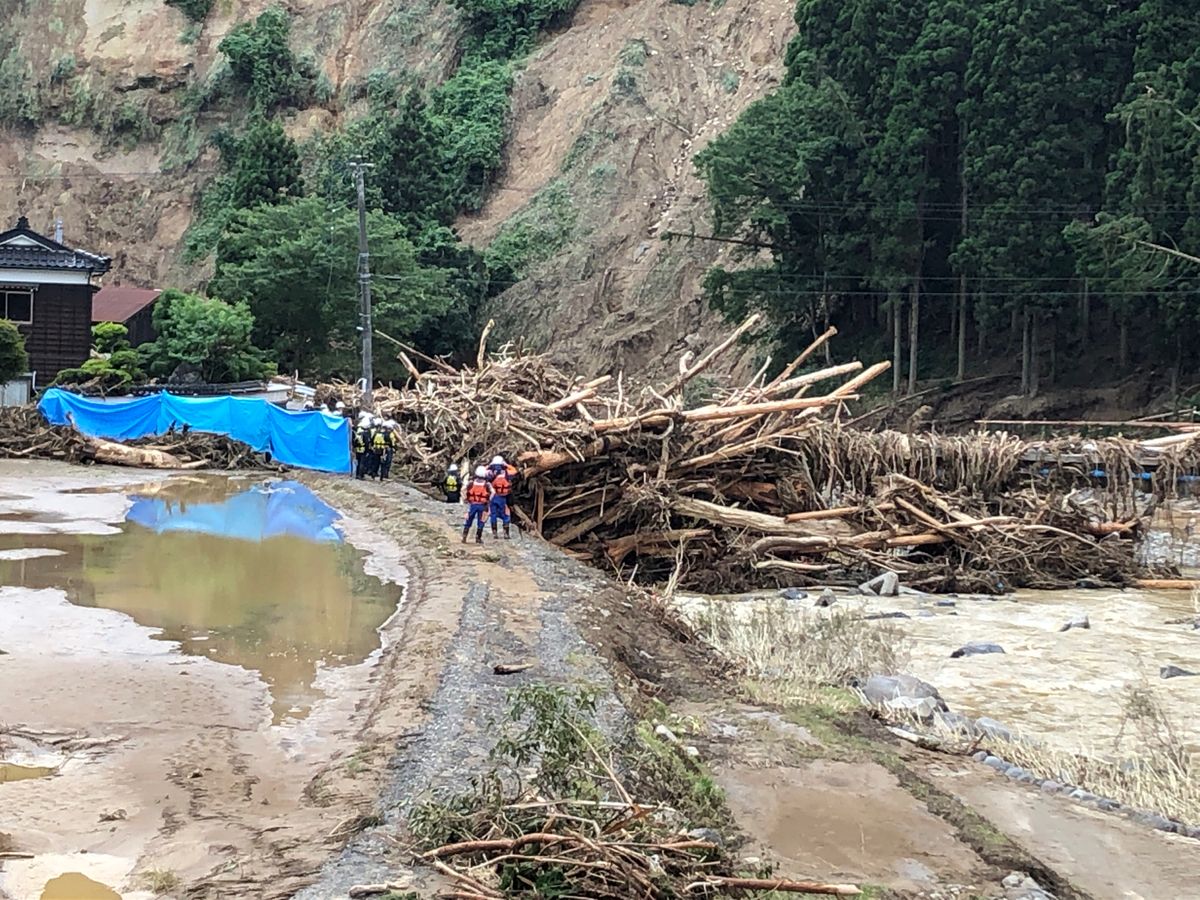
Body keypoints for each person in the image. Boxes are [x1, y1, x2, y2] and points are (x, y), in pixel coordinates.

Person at [462, 466, 492, 544]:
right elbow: (493, 492)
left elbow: (464, 490)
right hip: (482, 505)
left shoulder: (471, 483)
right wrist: (489, 500)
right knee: (481, 521)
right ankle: (478, 538)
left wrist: (465, 498)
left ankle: (464, 536)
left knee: (468, 519)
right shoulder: (487, 484)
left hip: (472, 505)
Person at [489, 463, 512, 540]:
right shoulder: (506, 480)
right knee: (506, 515)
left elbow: (491, 487)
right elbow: (509, 490)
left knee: (493, 515)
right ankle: (506, 533)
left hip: (495, 498)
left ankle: (494, 532)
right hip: (503, 499)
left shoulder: (495, 480)